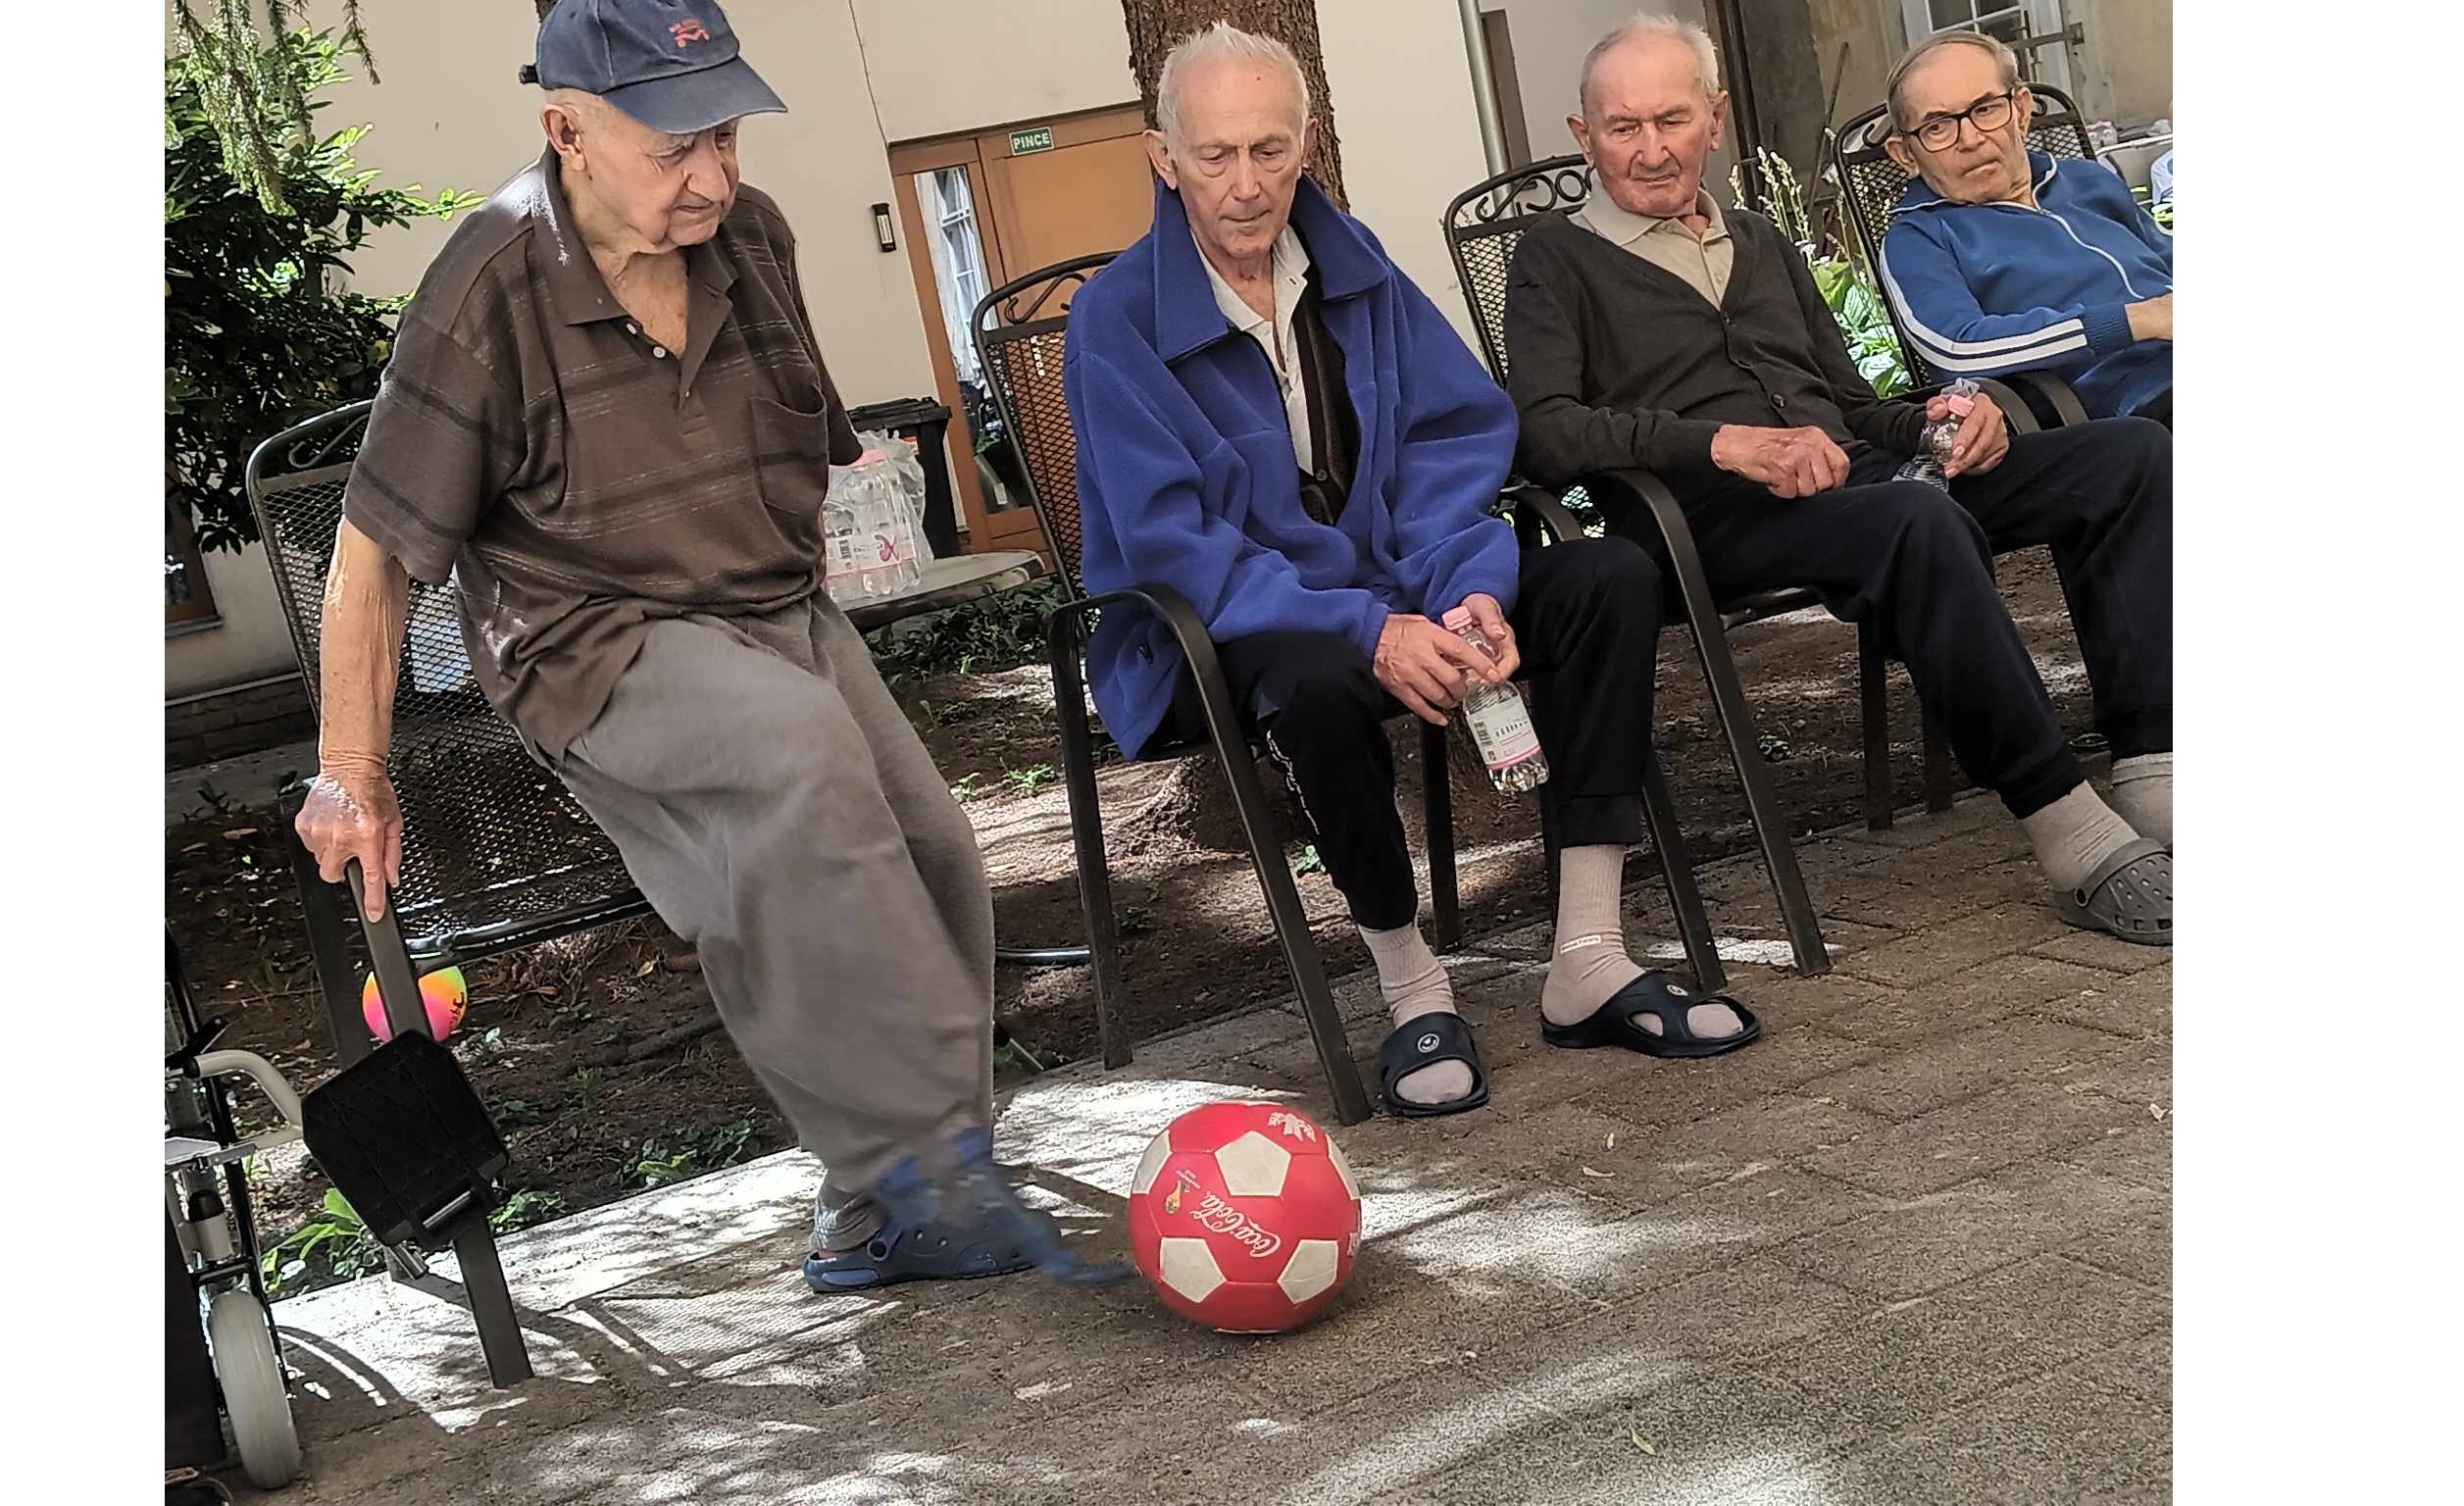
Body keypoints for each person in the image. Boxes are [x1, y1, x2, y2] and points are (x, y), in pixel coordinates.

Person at [289, 0, 1117, 1293]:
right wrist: (354, 765)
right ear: (565, 130)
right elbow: (374, 549)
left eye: (724, 134)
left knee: (933, 848)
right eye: (673, 146)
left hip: (773, 611)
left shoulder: (753, 238)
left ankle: (907, 1186)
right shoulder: (486, 286)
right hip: (590, 643)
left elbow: (805, 442)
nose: (713, 175)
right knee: (796, 764)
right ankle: (905, 1171)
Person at [1067, 23, 1762, 1118]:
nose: (1246, 185)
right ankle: (1411, 989)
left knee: (1607, 578)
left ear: (1307, 148)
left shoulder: (1361, 269)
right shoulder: (1115, 318)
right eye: (1215, 156)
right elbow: (1171, 540)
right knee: (1311, 681)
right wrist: (1369, 630)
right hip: (1229, 619)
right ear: (1164, 158)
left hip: (1401, 584)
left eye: (1269, 150)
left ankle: (1588, 953)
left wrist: (1467, 587)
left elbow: (1452, 442)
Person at [1503, 15, 2173, 942]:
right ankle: (2070, 827)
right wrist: (1723, 446)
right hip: (1710, 518)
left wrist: (1942, 414)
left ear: (1715, 117)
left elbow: (1852, 406)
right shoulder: (1553, 258)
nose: (1652, 150)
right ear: (1583, 136)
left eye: (1671, 120)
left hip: (1857, 478)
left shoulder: (1759, 239)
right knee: (1911, 522)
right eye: (1623, 129)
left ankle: (2153, 762)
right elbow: (1544, 431)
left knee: (2125, 456)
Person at [1874, 30, 2174, 427]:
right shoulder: (1919, 239)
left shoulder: (2088, 180)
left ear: (2021, 111)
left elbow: (2166, 256)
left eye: (1984, 110)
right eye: (1939, 127)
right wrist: (2137, 320)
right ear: (1905, 154)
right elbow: (1958, 346)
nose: (1971, 139)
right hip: (2125, 403)